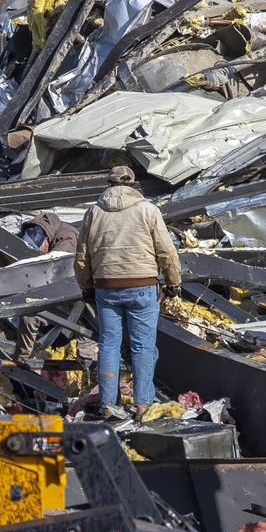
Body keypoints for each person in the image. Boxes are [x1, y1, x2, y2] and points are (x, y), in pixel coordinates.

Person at [74, 165, 181, 420]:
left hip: (106, 287)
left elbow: (81, 257)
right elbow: (166, 251)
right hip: (142, 286)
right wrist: (174, 283)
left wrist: (86, 285)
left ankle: (108, 405)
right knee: (143, 346)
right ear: (133, 185)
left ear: (108, 185)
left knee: (109, 345)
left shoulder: (94, 212)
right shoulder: (148, 210)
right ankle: (142, 404)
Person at [15, 211, 79, 357]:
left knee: (30, 315)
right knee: (27, 314)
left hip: (70, 298)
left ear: (45, 240)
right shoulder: (37, 230)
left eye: (39, 248)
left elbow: (57, 274)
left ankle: (22, 359)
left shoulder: (67, 240)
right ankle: (22, 358)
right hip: (55, 292)